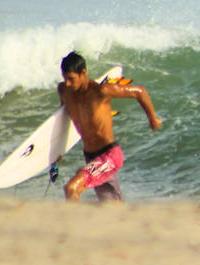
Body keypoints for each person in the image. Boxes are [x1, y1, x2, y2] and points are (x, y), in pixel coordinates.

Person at [57, 51, 162, 202]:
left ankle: (76, 224)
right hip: (90, 157)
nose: (67, 83)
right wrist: (58, 149)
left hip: (109, 155)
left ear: (83, 73)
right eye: (64, 78)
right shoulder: (64, 91)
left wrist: (153, 119)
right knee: (111, 206)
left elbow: (140, 92)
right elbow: (62, 120)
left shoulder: (101, 91)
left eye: (71, 79)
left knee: (72, 188)